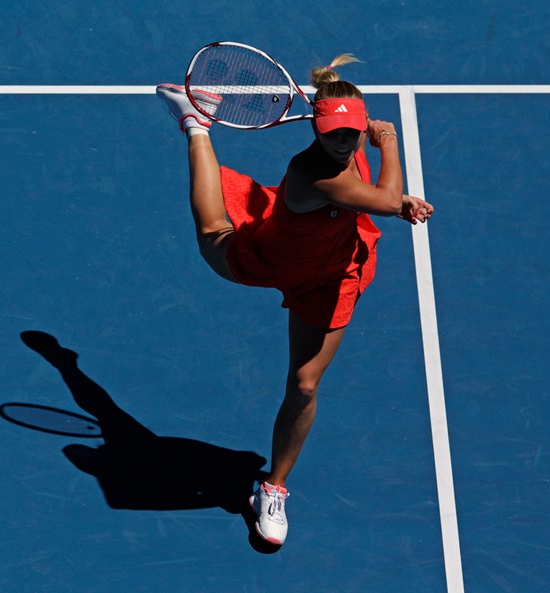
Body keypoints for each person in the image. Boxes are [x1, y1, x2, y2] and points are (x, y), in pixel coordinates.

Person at [155, 54, 433, 546]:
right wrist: (388, 141)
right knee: (214, 232)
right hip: (276, 258)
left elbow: (383, 199)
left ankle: (273, 487)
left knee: (304, 385)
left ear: (360, 123)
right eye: (333, 134)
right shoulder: (314, 174)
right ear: (316, 130)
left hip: (332, 274)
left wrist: (395, 195)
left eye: (352, 132)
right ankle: (196, 124)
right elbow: (387, 200)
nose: (344, 141)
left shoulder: (349, 147)